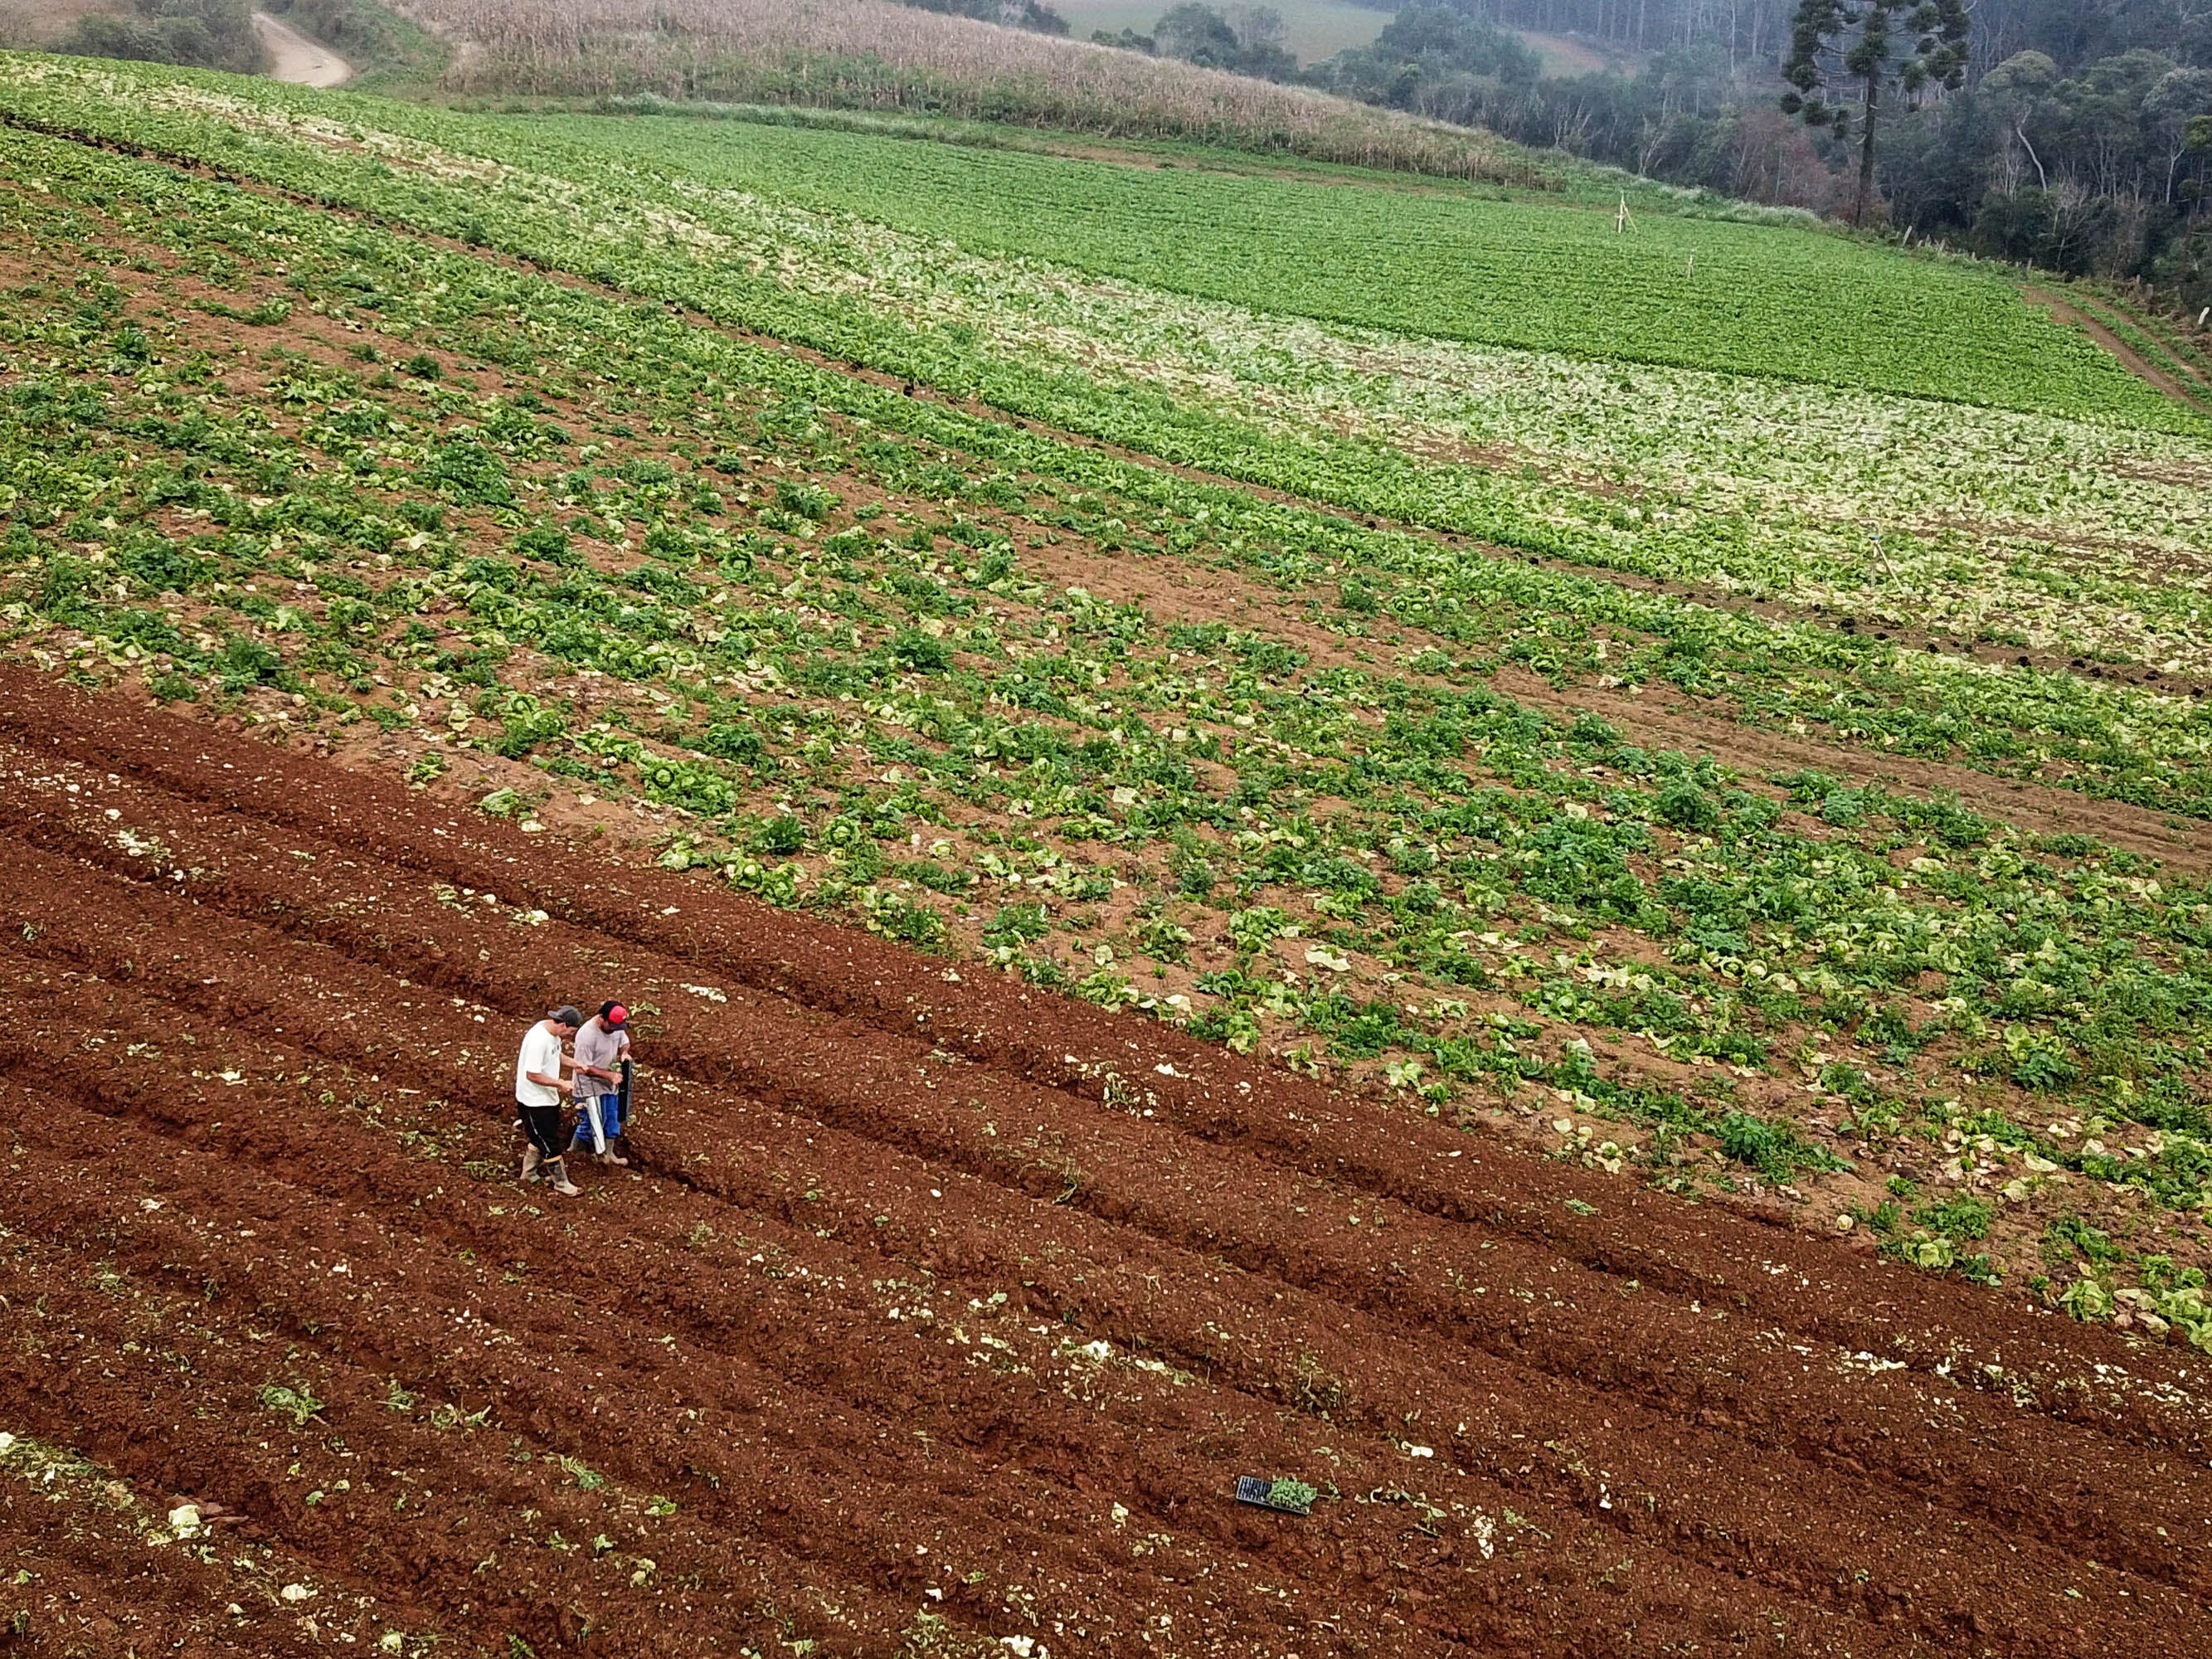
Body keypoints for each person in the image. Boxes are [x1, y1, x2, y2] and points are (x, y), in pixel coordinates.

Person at [515, 1005, 582, 1197]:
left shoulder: (552, 1034)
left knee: (544, 1136)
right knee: (550, 1142)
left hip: (548, 1097)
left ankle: (528, 1174)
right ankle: (561, 1183)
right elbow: (532, 1074)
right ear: (563, 1025)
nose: (571, 1035)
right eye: (571, 1031)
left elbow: (555, 1053)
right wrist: (560, 1083)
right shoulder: (539, 1040)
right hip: (534, 1101)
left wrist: (574, 1064)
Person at [570, 1000, 634, 1167]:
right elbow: (582, 1067)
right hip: (588, 1083)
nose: (615, 1029)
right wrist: (609, 1075)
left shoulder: (616, 1027)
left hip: (607, 1081)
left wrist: (624, 1053)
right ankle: (574, 1153)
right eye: (611, 1025)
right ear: (601, 1018)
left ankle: (609, 1154)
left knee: (612, 1118)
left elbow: (624, 1042)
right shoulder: (586, 1035)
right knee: (593, 1120)